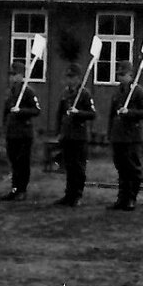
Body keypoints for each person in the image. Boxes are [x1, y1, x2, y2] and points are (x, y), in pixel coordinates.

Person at [107, 61, 143, 212]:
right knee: (121, 169)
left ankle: (131, 198)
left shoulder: (138, 91)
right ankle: (122, 198)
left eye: (123, 74)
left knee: (132, 169)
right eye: (119, 74)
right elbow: (112, 115)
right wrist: (110, 134)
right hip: (118, 136)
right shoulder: (117, 92)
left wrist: (130, 112)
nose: (120, 77)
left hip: (132, 136)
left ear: (131, 75)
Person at [54, 63, 96, 207]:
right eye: (68, 77)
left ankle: (77, 195)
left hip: (79, 136)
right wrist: (59, 131)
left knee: (78, 167)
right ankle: (69, 194)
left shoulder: (84, 94)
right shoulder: (65, 93)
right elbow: (59, 114)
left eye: (72, 77)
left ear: (78, 78)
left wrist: (79, 113)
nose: (70, 80)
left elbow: (92, 114)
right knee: (69, 166)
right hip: (67, 135)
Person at [0, 62, 41, 201]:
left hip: (24, 133)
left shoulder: (28, 91)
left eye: (14, 74)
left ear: (21, 75)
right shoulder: (10, 92)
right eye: (11, 75)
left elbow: (36, 110)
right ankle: (14, 189)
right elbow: (6, 112)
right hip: (12, 133)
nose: (12, 78)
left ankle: (22, 190)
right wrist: (5, 126)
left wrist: (22, 111)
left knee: (22, 162)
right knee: (13, 162)